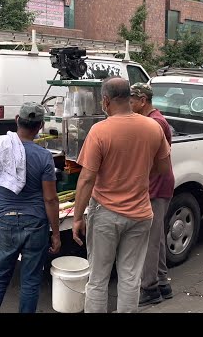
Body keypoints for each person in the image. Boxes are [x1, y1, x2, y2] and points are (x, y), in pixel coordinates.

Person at [72, 77, 171, 313]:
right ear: (129, 97)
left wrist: (77, 217)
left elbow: (87, 179)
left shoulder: (100, 131)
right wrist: (139, 173)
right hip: (140, 213)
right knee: (130, 277)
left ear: (105, 100)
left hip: (106, 213)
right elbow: (163, 168)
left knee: (98, 278)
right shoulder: (152, 127)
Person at [0, 102, 61, 313]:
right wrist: (56, 233)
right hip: (36, 223)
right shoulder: (44, 156)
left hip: (7, 220)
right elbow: (51, 199)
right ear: (41, 125)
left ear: (17, 119)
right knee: (30, 282)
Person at [129, 82, 175, 306]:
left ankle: (149, 289)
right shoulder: (153, 120)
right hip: (158, 184)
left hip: (157, 185)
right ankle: (163, 283)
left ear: (142, 101)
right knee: (156, 238)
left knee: (149, 240)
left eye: (132, 100)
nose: (129, 104)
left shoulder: (155, 123)